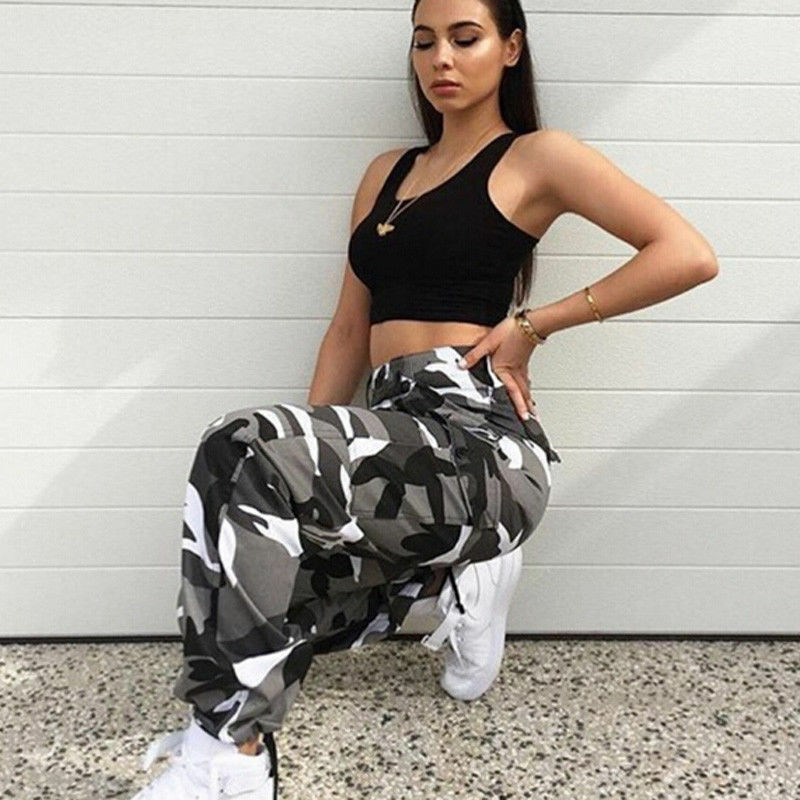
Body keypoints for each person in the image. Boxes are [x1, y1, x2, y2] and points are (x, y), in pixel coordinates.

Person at [130, 0, 718, 797]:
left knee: (240, 443)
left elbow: (686, 254)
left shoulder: (538, 156)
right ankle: (459, 576)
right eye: (424, 41)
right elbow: (348, 330)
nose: (442, 57)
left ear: (510, 48)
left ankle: (231, 755)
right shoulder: (387, 174)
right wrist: (308, 453)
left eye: (466, 38)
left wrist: (533, 326)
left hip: (479, 439)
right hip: (391, 433)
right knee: (261, 567)